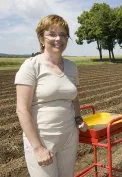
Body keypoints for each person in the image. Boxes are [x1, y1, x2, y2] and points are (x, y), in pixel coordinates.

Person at [15, 14, 88, 177]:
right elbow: (22, 110)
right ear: (41, 38)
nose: (58, 39)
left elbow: (73, 97)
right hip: (42, 138)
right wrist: (37, 148)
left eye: (63, 34)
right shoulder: (31, 66)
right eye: (52, 34)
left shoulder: (71, 66)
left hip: (69, 137)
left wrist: (78, 119)